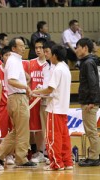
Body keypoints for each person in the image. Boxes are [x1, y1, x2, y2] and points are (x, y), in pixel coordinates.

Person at [0, 37, 37, 168]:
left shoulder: (15, 61)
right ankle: (21, 159)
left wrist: (26, 82)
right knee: (23, 131)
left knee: (17, 130)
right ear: (13, 48)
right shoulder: (13, 61)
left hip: (16, 98)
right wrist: (26, 87)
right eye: (20, 46)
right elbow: (11, 80)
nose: (23, 48)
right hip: (17, 98)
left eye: (24, 45)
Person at [32, 44, 73, 171]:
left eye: (49, 53)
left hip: (55, 108)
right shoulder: (65, 68)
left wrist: (36, 92)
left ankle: (56, 163)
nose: (47, 55)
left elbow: (50, 89)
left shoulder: (57, 69)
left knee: (53, 138)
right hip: (63, 108)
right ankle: (67, 162)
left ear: (55, 55)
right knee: (64, 137)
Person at [75, 38, 100, 167]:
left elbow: (93, 83)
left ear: (85, 48)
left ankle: (94, 157)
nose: (76, 50)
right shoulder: (87, 62)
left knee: (91, 131)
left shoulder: (88, 63)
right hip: (89, 101)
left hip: (90, 102)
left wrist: (92, 101)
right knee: (90, 130)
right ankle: (93, 155)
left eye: (77, 47)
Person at [29, 38, 48, 163]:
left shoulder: (50, 65)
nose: (38, 50)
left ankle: (44, 151)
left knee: (44, 128)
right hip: (32, 100)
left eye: (40, 47)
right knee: (34, 128)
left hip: (45, 100)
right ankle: (37, 151)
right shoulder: (30, 63)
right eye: (36, 48)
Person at [0, 46, 14, 165]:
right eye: (6, 55)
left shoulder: (14, 69)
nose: (8, 57)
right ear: (1, 57)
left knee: (14, 131)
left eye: (10, 55)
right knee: (1, 133)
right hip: (1, 106)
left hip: (13, 104)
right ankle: (0, 154)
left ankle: (10, 155)